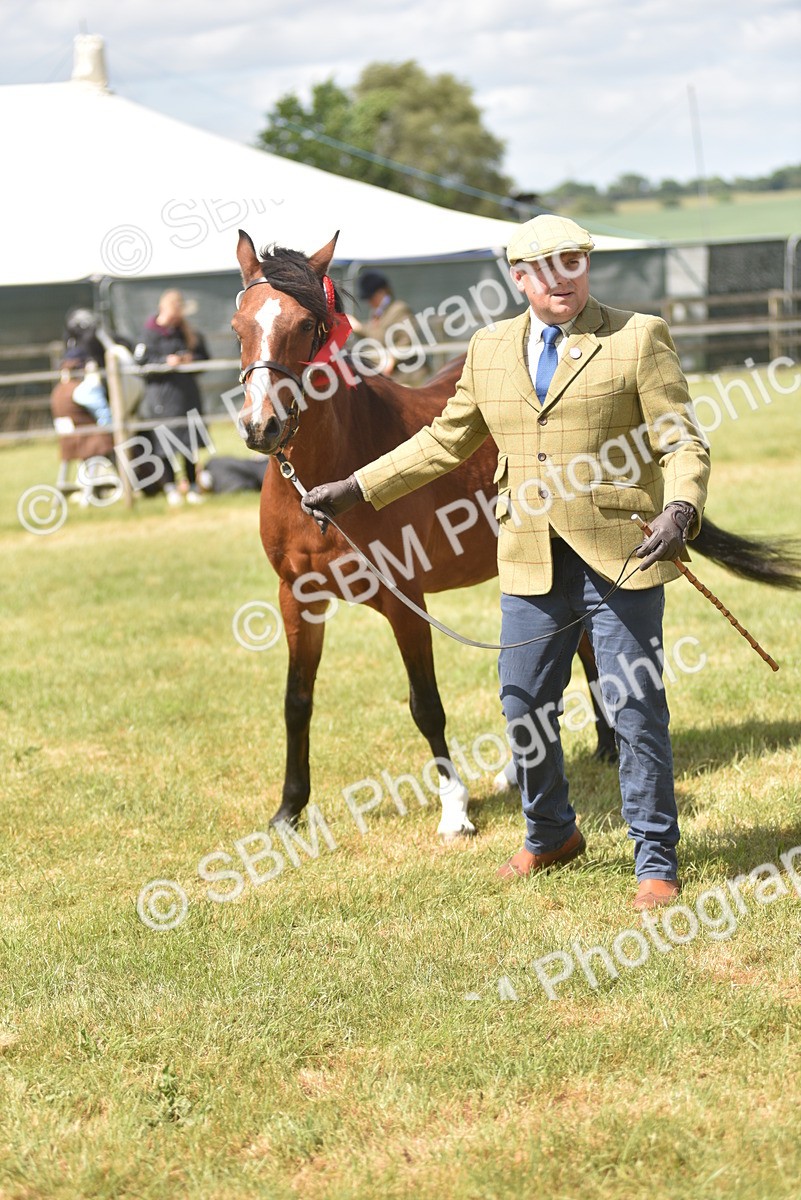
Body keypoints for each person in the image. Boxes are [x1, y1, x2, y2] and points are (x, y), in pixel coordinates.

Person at [301, 213, 711, 912]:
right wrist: (357, 487)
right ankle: (550, 833)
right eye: (544, 267)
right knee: (522, 703)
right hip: (525, 556)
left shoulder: (636, 336)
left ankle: (654, 858)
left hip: (621, 555)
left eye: (573, 263)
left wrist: (680, 510)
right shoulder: (489, 348)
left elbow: (681, 442)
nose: (561, 278)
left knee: (634, 708)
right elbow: (442, 442)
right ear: (519, 278)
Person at [134, 290, 209, 505]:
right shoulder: (148, 333)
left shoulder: (187, 332)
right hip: (162, 400)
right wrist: (166, 363)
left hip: (187, 396)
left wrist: (189, 359)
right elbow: (140, 363)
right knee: (163, 444)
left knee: (189, 442)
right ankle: (170, 487)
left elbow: (204, 356)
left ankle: (193, 485)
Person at [347, 271, 427, 386]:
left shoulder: (399, 309)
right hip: (391, 374)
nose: (369, 302)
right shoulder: (377, 313)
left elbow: (406, 339)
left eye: (371, 297)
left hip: (408, 375)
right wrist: (358, 328)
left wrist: (392, 358)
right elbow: (377, 334)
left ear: (381, 292)